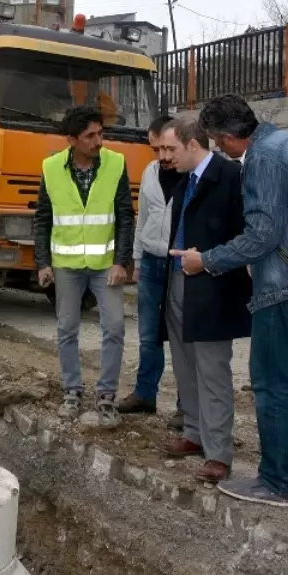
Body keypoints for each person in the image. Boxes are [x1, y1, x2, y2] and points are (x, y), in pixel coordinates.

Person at [172, 95, 288, 508]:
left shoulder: (263, 160)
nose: (219, 150)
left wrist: (207, 260)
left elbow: (261, 237)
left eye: (217, 142)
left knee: (271, 385)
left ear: (226, 136)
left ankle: (275, 482)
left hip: (286, 289)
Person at [156, 116, 251, 483]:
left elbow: (245, 236)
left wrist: (209, 261)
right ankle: (194, 434)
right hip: (179, 281)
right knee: (184, 365)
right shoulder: (184, 179)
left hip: (213, 286)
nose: (165, 157)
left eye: (171, 149)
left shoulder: (230, 178)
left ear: (193, 145)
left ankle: (218, 453)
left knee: (212, 371)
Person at [34, 106, 134, 426]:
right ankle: (72, 392)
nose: (99, 141)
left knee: (115, 328)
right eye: (90, 136)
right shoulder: (51, 167)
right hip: (67, 265)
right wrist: (43, 263)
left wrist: (122, 262)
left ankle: (106, 397)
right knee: (66, 329)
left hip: (106, 265)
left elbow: (124, 216)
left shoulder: (116, 163)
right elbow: (42, 219)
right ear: (72, 139)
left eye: (100, 133)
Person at [119, 115, 185, 429]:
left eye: (167, 148)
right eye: (157, 148)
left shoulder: (191, 175)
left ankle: (187, 407)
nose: (162, 155)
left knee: (184, 336)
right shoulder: (149, 172)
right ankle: (145, 394)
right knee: (148, 335)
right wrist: (135, 257)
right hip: (152, 262)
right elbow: (141, 217)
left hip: (181, 265)